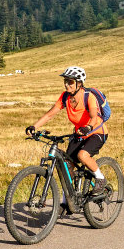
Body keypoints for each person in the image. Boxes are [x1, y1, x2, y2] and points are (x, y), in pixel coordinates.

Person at [27, 65, 109, 194]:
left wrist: (88, 127)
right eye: (65, 81)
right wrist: (34, 127)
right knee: (67, 165)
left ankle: (100, 178)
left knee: (82, 155)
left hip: (96, 132)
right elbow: (49, 114)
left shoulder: (89, 96)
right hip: (79, 134)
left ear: (79, 83)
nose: (66, 85)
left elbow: (94, 117)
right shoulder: (65, 97)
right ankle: (67, 203)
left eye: (70, 82)